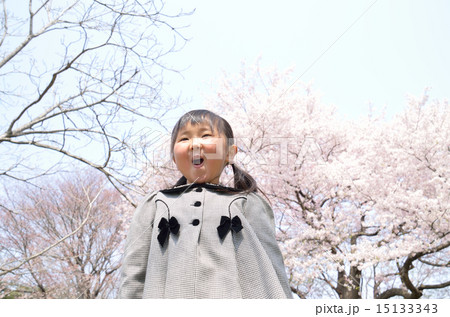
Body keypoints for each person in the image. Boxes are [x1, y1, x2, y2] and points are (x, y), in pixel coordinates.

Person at [118, 109, 293, 298]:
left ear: (229, 153)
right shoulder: (155, 205)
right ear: (174, 157)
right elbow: (133, 273)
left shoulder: (248, 203)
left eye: (206, 135)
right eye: (184, 139)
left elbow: (272, 267)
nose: (194, 143)